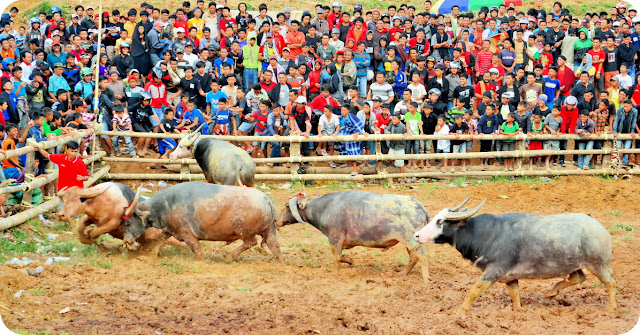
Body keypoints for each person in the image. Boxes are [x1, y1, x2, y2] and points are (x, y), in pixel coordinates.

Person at [335, 104, 366, 176]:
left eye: (344, 110)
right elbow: (339, 127)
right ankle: (348, 162)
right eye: (341, 110)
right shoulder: (340, 118)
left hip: (353, 134)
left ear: (348, 111)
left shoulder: (352, 117)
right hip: (344, 134)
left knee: (352, 150)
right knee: (342, 145)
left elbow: (359, 124)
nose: (342, 112)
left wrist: (358, 132)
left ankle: (355, 170)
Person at [385, 112, 408, 181]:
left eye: (395, 119)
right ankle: (392, 164)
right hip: (392, 145)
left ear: (399, 120)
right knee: (389, 157)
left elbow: (406, 132)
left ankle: (402, 177)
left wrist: (405, 134)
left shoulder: (402, 126)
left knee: (401, 163)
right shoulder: (391, 124)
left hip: (400, 146)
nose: (393, 121)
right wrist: (387, 132)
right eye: (393, 119)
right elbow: (386, 129)